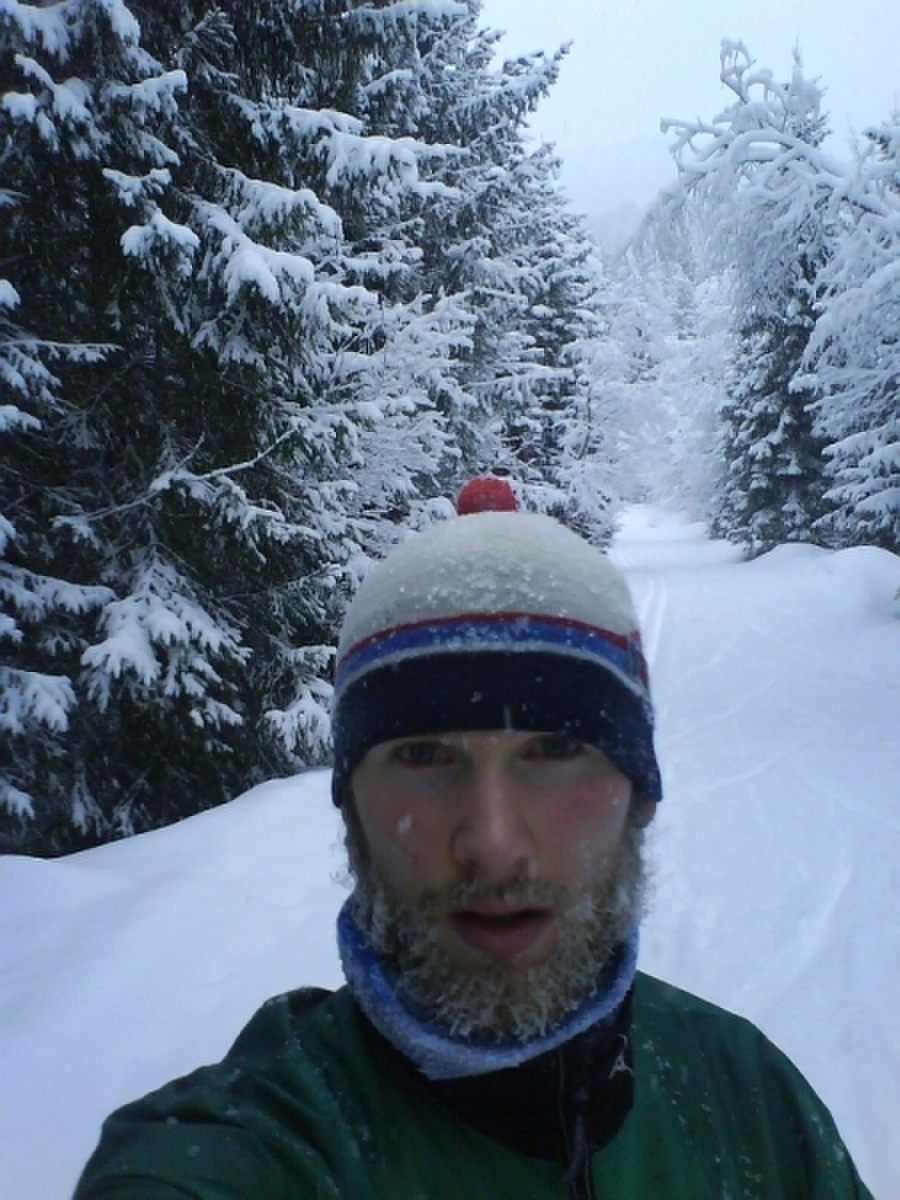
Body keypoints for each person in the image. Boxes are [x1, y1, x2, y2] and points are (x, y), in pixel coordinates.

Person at [74, 477, 872, 1199]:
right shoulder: (257, 1141)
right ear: (350, 806)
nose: (492, 844)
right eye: (423, 755)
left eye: (555, 750)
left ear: (642, 795)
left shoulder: (754, 1102)